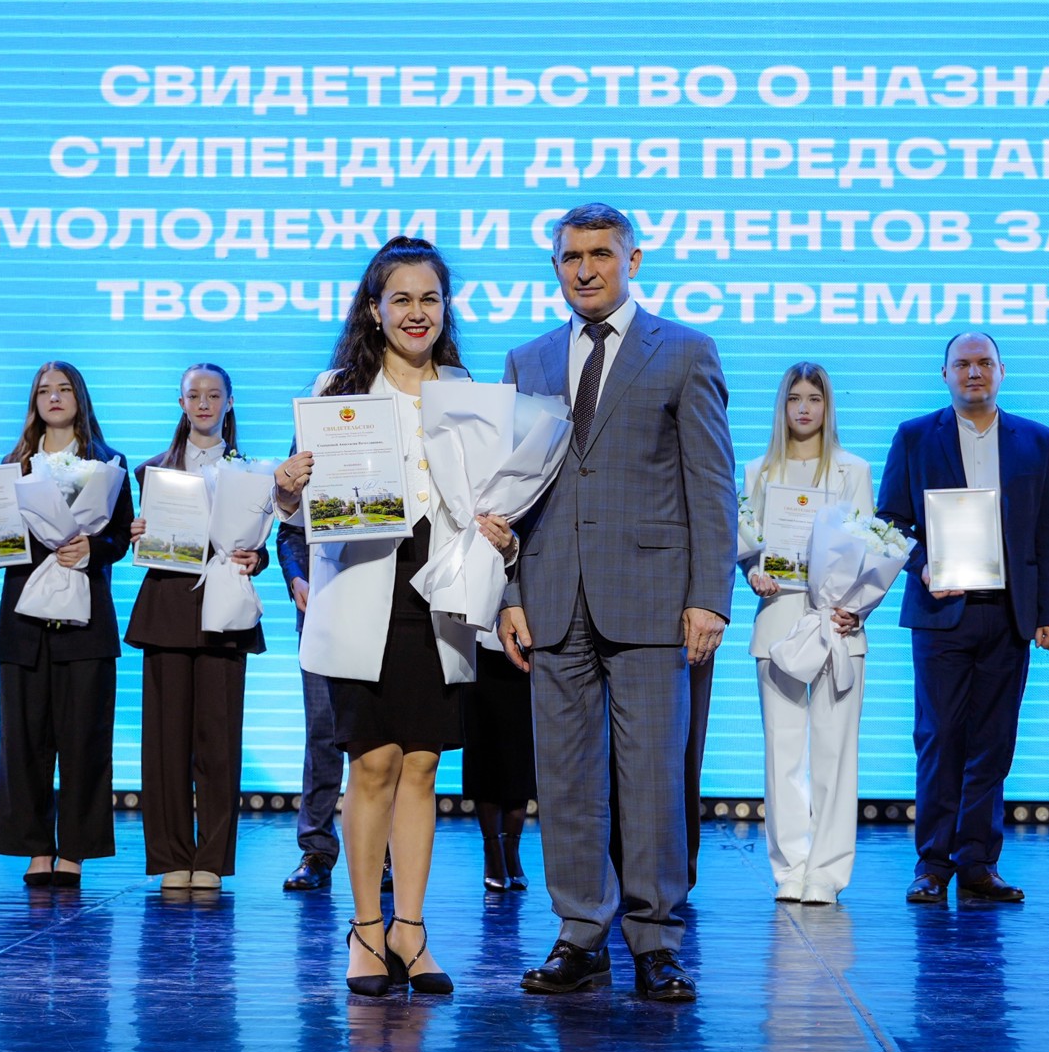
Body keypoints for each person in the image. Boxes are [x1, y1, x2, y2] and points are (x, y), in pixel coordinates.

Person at [498, 203, 736, 1001]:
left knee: (654, 779)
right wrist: (509, 593)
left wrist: (710, 597)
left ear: (633, 260)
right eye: (572, 256)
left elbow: (712, 483)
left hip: (655, 599)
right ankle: (580, 932)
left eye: (601, 253)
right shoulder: (527, 359)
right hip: (552, 595)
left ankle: (656, 938)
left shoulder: (685, 350)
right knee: (565, 779)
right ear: (555, 266)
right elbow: (509, 491)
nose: (586, 268)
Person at [272, 236, 513, 997]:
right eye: (401, 298)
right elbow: (296, 513)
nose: (417, 312)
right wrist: (286, 490)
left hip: (439, 596)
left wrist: (503, 531)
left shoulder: (468, 390)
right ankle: (366, 930)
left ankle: (412, 930)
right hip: (363, 592)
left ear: (446, 308)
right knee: (372, 762)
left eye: (430, 298)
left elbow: (490, 500)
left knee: (422, 765)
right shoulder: (336, 388)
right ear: (374, 310)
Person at [876, 331, 1049, 905]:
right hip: (942, 611)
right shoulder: (915, 436)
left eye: (985, 363)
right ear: (945, 374)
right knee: (939, 738)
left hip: (1010, 614)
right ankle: (933, 863)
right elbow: (890, 523)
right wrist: (924, 567)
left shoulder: (1037, 440)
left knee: (994, 742)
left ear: (1002, 371)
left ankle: (978, 862)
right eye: (962, 364)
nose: (974, 372)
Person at [0, 361, 132, 888]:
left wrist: (93, 549)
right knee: (24, 742)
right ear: (33, 402)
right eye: (43, 391)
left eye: (64, 389)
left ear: (80, 397)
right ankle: (35, 849)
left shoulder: (108, 463)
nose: (54, 397)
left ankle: (75, 850)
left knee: (85, 742)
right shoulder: (12, 466)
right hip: (24, 627)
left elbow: (121, 537)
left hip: (86, 625)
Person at [125, 363, 266, 892]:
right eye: (194, 395)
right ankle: (169, 856)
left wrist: (256, 559)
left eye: (213, 395)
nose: (204, 403)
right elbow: (139, 538)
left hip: (224, 615)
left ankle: (211, 858)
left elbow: (259, 546)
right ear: (180, 403)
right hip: (167, 610)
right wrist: (137, 530)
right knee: (163, 743)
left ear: (230, 402)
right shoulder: (152, 472)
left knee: (219, 743)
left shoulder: (253, 472)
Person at [740, 362, 872, 905]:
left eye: (814, 398)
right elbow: (747, 547)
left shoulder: (853, 470)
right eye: (794, 397)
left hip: (837, 624)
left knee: (836, 752)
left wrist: (857, 609)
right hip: (778, 620)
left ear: (827, 406)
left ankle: (827, 873)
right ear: (782, 405)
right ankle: (791, 867)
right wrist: (754, 572)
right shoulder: (758, 471)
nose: (803, 408)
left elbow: (869, 548)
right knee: (783, 751)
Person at [275, 520, 344, 893]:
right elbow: (289, 530)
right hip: (319, 612)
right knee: (321, 733)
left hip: (383, 613)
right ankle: (316, 849)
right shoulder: (306, 470)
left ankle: (386, 854)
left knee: (380, 740)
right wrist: (296, 578)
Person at [463, 639, 536, 892]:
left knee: (521, 748)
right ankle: (492, 849)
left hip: (526, 647)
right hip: (479, 646)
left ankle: (511, 848)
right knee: (482, 744)